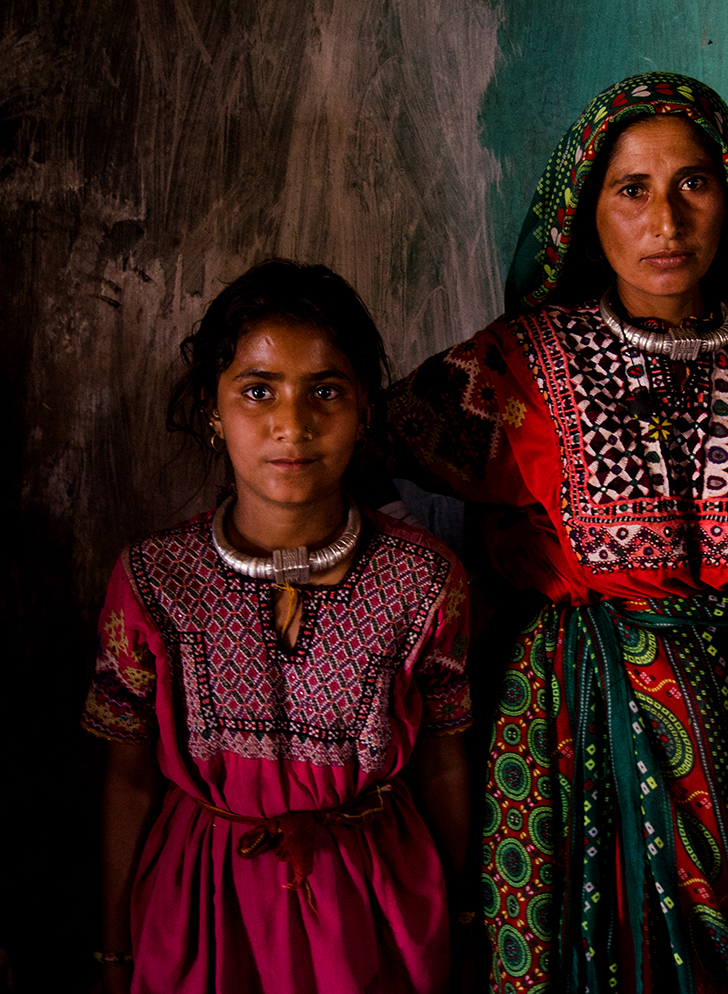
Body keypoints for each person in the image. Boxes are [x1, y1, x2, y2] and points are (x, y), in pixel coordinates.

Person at [386, 73, 728, 993]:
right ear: (583, 212)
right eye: (630, 189)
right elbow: (362, 447)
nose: (665, 224)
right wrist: (464, 557)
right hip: (573, 726)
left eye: (693, 184)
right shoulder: (525, 358)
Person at [82, 260, 473, 994]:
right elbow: (128, 783)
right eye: (257, 391)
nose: (292, 425)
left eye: (325, 391)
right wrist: (113, 953)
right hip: (202, 916)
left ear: (363, 412)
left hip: (378, 916)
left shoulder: (426, 583)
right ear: (212, 410)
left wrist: (463, 923)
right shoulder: (153, 581)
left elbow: (445, 765)